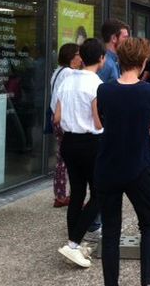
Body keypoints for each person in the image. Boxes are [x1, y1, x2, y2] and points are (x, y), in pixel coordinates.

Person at [95, 37, 150, 286]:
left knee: (111, 231)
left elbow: (102, 121)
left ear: (120, 60)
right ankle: (148, 281)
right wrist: (148, 128)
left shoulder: (104, 90)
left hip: (108, 166)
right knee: (148, 225)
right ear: (144, 61)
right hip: (139, 166)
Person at [53, 38, 105, 268]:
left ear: (82, 57)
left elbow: (56, 117)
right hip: (90, 144)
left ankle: (73, 243)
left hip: (69, 142)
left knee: (77, 194)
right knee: (100, 194)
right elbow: (97, 122)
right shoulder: (97, 84)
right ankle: (73, 244)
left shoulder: (67, 80)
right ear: (102, 59)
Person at [50, 43, 82, 208]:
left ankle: (60, 193)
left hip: (56, 117)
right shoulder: (69, 73)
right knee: (66, 159)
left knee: (61, 158)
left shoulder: (58, 71)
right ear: (71, 57)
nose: (81, 57)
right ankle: (62, 196)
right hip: (63, 119)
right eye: (78, 54)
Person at [98, 19, 130, 83]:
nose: (128, 41)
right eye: (125, 37)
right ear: (114, 39)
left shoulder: (113, 61)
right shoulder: (106, 63)